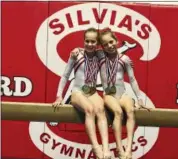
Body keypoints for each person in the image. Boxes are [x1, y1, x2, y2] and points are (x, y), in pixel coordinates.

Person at [52, 28, 111, 159]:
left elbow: (112, 46)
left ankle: (106, 149)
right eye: (87, 41)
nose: (90, 44)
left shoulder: (100, 55)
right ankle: (96, 148)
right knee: (90, 109)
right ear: (84, 41)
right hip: (78, 92)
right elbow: (65, 76)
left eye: (93, 41)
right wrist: (59, 96)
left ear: (98, 43)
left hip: (92, 92)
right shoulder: (76, 54)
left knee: (101, 110)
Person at [98, 28, 150, 159]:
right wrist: (77, 51)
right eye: (105, 44)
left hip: (122, 95)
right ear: (102, 47)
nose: (109, 46)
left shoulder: (125, 59)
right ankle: (119, 148)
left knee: (131, 111)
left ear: (116, 41)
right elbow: (86, 49)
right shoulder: (100, 57)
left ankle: (129, 149)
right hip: (109, 95)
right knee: (118, 112)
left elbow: (132, 79)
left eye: (111, 42)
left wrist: (140, 99)